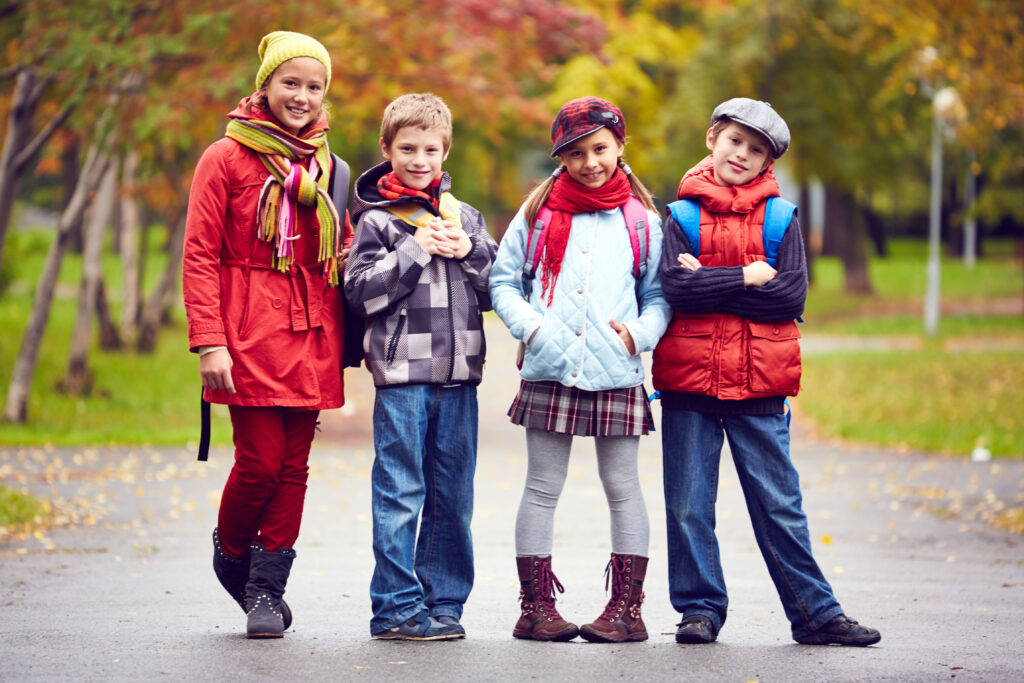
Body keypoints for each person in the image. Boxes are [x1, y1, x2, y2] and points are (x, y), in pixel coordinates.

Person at [653, 97, 881, 647]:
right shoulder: (680, 216)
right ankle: (699, 609)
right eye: (735, 141)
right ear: (712, 138)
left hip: (760, 384)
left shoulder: (782, 218)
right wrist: (749, 277)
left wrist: (716, 280)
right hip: (690, 384)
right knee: (688, 506)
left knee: (779, 506)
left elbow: (790, 296)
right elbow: (676, 290)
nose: (742, 154)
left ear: (768, 163)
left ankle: (815, 613)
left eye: (756, 150)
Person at [182, 31, 351, 639]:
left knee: (294, 468)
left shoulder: (328, 165)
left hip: (311, 330)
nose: (302, 96)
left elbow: (343, 253)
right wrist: (209, 340)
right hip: (247, 328)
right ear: (265, 85)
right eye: (291, 82)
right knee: (258, 465)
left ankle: (266, 589)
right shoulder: (224, 158)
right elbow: (199, 254)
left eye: (314, 86)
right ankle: (232, 555)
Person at [489, 97, 671, 643]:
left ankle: (626, 610)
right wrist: (533, 329)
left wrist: (637, 336)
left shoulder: (641, 220)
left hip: (616, 371)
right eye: (575, 153)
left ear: (619, 146)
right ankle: (536, 607)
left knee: (623, 487)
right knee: (542, 487)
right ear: (560, 156)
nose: (590, 162)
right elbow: (503, 282)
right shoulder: (536, 212)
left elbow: (658, 295)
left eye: (599, 148)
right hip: (550, 367)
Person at [344, 93, 498, 641]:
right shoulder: (378, 221)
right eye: (406, 148)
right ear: (387, 150)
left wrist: (469, 251)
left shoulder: (467, 216)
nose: (419, 159)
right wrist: (415, 251)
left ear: (444, 150)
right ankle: (394, 608)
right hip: (403, 379)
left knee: (453, 497)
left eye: (430, 149)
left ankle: (444, 604)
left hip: (460, 381)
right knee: (400, 493)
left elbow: (499, 289)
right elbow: (358, 292)